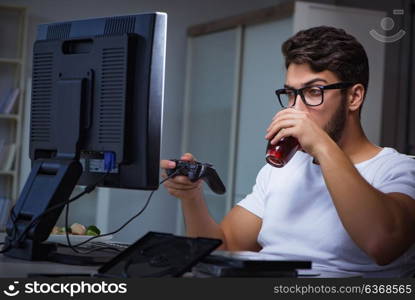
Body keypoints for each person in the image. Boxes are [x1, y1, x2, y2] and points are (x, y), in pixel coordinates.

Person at [160, 26, 415, 277]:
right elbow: (224, 247)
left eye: (314, 92)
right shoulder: (281, 171)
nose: (297, 109)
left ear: (354, 97)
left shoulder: (398, 169)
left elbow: (383, 243)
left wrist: (321, 145)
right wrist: (193, 198)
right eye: (291, 94)